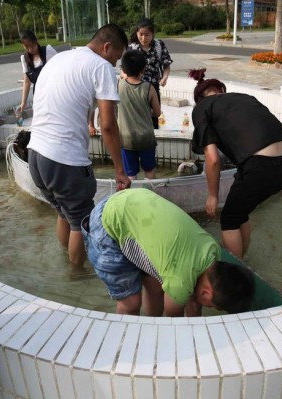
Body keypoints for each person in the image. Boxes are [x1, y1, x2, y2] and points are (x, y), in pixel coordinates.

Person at [27, 24, 131, 270]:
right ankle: (77, 275)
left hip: (35, 153)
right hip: (64, 159)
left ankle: (68, 263)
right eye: (116, 58)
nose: (115, 65)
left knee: (64, 213)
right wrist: (119, 169)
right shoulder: (101, 66)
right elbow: (108, 125)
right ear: (106, 48)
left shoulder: (59, 58)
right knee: (81, 222)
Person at [82, 188, 255, 317]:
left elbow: (194, 302)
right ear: (206, 293)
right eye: (214, 307)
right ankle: (127, 342)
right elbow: (174, 322)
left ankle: (150, 327)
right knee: (131, 302)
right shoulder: (180, 282)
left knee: (156, 285)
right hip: (107, 225)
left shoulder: (212, 250)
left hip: (133, 202)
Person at [189, 68, 282, 260]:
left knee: (228, 219)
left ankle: (236, 270)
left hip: (261, 164)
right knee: (239, 211)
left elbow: (212, 159)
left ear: (200, 99)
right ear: (221, 91)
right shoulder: (242, 98)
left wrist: (212, 196)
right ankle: (244, 260)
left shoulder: (201, 108)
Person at [117, 49, 161, 180]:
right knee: (150, 171)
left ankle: (132, 198)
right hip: (146, 137)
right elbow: (157, 113)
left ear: (123, 68)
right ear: (143, 69)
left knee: (130, 174)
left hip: (126, 138)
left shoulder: (118, 85)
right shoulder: (149, 88)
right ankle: (150, 196)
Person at [128, 18, 173, 128]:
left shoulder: (159, 45)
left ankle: (152, 141)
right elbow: (125, 69)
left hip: (153, 88)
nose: (143, 38)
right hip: (136, 88)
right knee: (137, 119)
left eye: (147, 35)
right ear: (137, 33)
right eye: (141, 34)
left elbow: (166, 65)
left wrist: (165, 78)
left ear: (153, 34)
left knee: (154, 118)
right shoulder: (133, 47)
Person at [16, 30, 57, 115]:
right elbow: (27, 82)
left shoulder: (48, 51)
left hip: (53, 93)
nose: (30, 49)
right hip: (38, 95)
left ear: (36, 41)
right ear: (22, 45)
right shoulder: (24, 59)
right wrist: (23, 102)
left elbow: (61, 70)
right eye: (26, 47)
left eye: (32, 45)